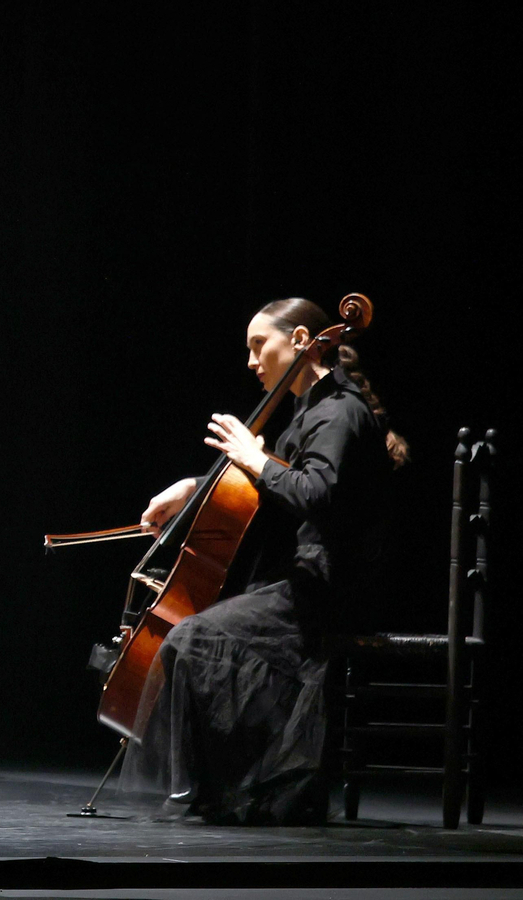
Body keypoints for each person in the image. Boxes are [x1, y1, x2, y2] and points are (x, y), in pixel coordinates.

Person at [119, 297, 406, 825]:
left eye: (259, 345)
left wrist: (252, 457)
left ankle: (212, 792)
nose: (251, 361)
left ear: (300, 341)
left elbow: (315, 493)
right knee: (194, 633)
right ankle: (214, 790)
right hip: (300, 579)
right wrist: (194, 489)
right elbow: (274, 487)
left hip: (330, 586)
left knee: (192, 639)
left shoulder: (339, 412)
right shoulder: (309, 413)